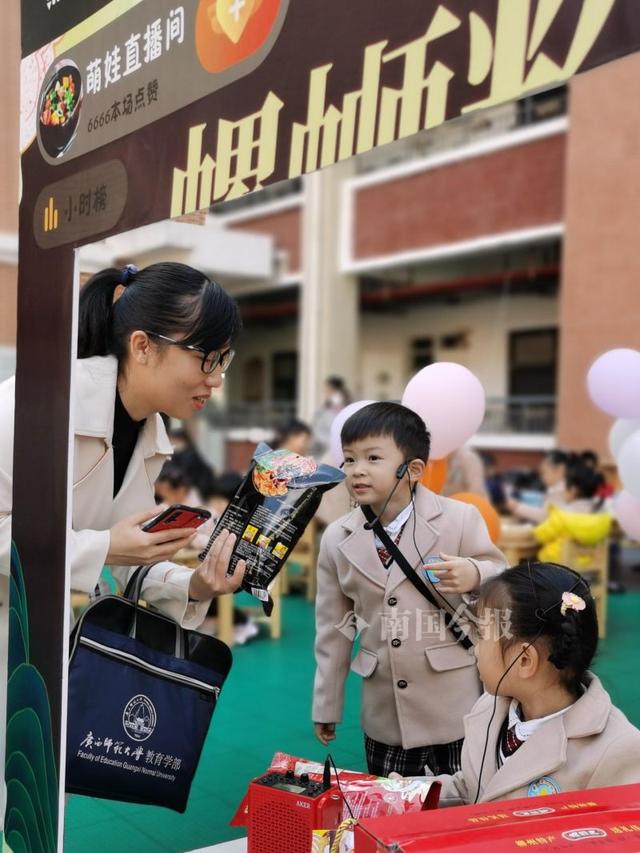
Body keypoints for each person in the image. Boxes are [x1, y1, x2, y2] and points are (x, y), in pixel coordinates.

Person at [0, 262, 247, 628]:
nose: (215, 380)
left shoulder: (149, 435)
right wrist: (104, 547)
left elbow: (126, 556)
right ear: (143, 346)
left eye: (222, 359)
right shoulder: (36, 403)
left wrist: (195, 585)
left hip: (37, 639)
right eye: (206, 358)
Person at [312, 401, 507, 777]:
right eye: (349, 459)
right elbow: (332, 631)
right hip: (386, 717)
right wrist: (327, 705)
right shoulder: (337, 538)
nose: (357, 471)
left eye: (372, 457)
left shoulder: (459, 518)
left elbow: (503, 578)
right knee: (393, 814)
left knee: (467, 806)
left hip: (456, 706)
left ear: (413, 469)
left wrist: (475, 574)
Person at [423, 562, 640, 803]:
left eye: (482, 636)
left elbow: (621, 834)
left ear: (525, 660)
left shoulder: (616, 750)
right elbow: (474, 789)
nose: (475, 650)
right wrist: (402, 793)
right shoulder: (489, 709)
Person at [533, 465, 611, 565]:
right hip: (589, 563)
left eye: (565, 488)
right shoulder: (602, 518)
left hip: (557, 565)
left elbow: (540, 535)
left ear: (573, 490)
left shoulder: (563, 516)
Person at [507, 450, 572, 523]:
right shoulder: (556, 488)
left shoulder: (564, 490)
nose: (542, 477)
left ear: (560, 470)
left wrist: (518, 507)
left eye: (544, 472)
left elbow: (546, 517)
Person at [310, 376, 351, 458]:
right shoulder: (326, 407)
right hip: (327, 442)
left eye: (326, 388)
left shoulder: (337, 401)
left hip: (333, 439)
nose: (325, 391)